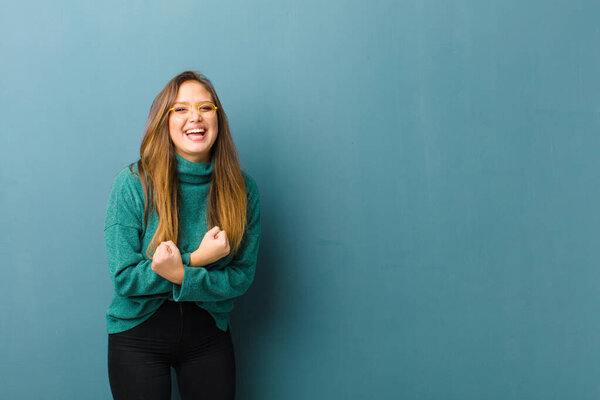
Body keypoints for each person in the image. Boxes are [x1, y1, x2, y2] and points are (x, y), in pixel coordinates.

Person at [104, 70, 261, 399]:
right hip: (137, 338)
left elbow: (241, 277)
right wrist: (196, 260)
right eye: (181, 109)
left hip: (208, 339)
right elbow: (125, 278)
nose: (196, 117)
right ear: (164, 120)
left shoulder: (243, 190)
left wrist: (180, 273)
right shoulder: (132, 184)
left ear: (218, 119)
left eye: (206, 108)